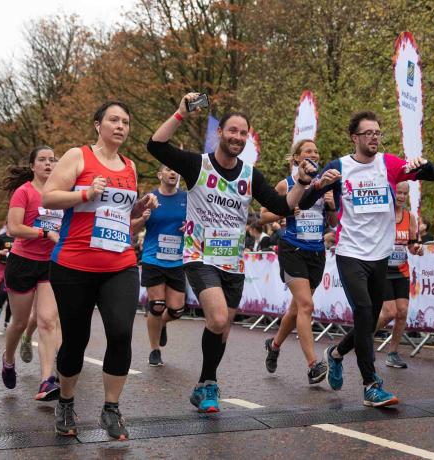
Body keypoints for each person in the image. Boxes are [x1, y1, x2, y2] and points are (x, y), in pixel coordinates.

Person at [146, 93, 329, 414]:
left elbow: (280, 206)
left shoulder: (250, 175)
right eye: (232, 130)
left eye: (243, 133)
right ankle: (209, 384)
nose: (237, 137)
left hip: (232, 261)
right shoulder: (197, 164)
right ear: (220, 133)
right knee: (216, 317)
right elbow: (156, 147)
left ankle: (206, 383)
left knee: (223, 327)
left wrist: (301, 181)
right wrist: (179, 113)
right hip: (199, 256)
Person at [299, 110, 434, 407]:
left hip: (381, 256)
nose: (374, 137)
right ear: (355, 138)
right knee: (363, 310)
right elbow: (303, 202)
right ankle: (371, 384)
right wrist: (319, 184)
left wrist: (423, 165)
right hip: (350, 253)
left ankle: (336, 353)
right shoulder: (339, 167)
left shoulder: (388, 164)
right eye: (368, 133)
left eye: (378, 133)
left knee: (369, 319)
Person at [43, 101, 157, 440]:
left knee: (121, 332)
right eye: (114, 120)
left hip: (119, 263)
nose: (121, 126)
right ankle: (65, 401)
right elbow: (49, 197)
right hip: (73, 264)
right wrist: (84, 193)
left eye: (126, 121)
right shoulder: (77, 157)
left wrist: (139, 206)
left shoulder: (130, 166)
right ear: (98, 125)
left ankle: (111, 408)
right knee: (75, 340)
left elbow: (118, 213)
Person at [261, 139, 338, 384]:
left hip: (316, 252)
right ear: (296, 158)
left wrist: (332, 206)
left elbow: (334, 223)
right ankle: (313, 365)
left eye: (316, 151)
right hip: (292, 249)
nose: (314, 154)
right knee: (306, 306)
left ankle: (274, 345)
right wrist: (284, 211)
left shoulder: (325, 184)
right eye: (308, 151)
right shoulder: (287, 184)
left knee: (296, 309)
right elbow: (263, 216)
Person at [0, 145, 64, 403]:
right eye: (43, 160)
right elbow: (14, 228)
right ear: (33, 166)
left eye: (53, 160)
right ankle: (8, 358)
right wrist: (44, 233)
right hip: (22, 262)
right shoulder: (23, 192)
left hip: (49, 263)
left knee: (48, 320)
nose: (49, 163)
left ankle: (47, 380)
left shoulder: (61, 195)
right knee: (19, 322)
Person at [132, 164, 188, 366]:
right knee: (157, 305)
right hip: (153, 258)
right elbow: (133, 226)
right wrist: (143, 218)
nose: (173, 172)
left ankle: (162, 323)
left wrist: (188, 227)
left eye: (175, 170)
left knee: (177, 309)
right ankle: (154, 350)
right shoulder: (150, 199)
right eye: (168, 169)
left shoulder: (186, 198)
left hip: (176, 260)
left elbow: (197, 224)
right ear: (160, 174)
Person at [375, 182, 422, 369]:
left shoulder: (409, 217)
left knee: (402, 313)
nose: (401, 196)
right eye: (398, 192)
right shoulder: (382, 215)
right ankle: (363, 337)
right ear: (391, 193)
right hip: (383, 270)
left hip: (401, 270)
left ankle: (392, 354)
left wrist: (416, 249)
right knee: (389, 313)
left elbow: (411, 244)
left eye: (404, 193)